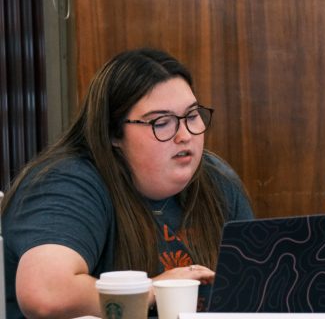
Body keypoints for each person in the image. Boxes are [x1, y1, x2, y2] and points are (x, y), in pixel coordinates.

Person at [1, 48, 254, 318]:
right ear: (113, 133)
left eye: (192, 116)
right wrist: (155, 288)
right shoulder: (66, 181)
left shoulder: (217, 179)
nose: (184, 135)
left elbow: (258, 283)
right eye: (161, 122)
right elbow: (46, 294)